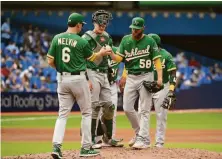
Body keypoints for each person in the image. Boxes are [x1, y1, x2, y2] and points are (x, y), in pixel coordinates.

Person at [47, 12, 111, 158]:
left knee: (62, 115)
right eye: (81, 24)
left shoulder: (57, 38)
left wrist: (63, 68)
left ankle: (56, 147)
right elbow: (93, 58)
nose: (82, 26)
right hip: (78, 79)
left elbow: (50, 61)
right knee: (87, 113)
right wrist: (101, 52)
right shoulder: (81, 41)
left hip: (62, 79)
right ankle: (86, 148)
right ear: (77, 25)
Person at [110, 17, 163, 149]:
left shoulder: (150, 41)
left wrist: (160, 78)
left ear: (143, 28)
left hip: (146, 76)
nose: (134, 31)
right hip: (131, 77)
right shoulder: (126, 40)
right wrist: (111, 54)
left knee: (144, 110)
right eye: (133, 28)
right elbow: (119, 58)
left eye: (137, 29)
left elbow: (157, 61)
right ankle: (140, 133)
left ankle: (143, 140)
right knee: (127, 108)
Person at [82, 10, 123, 148]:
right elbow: (81, 58)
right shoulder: (87, 37)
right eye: (101, 24)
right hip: (92, 71)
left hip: (104, 73)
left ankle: (108, 137)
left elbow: (111, 56)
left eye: (105, 24)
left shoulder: (107, 36)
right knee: (94, 107)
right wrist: (86, 78)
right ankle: (91, 139)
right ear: (94, 22)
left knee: (109, 106)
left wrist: (113, 55)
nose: (103, 26)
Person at [138, 34, 177, 148]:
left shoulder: (166, 55)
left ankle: (159, 142)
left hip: (162, 87)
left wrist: (170, 90)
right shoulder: (144, 54)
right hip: (146, 87)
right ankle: (144, 139)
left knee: (161, 115)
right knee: (141, 112)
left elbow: (173, 73)